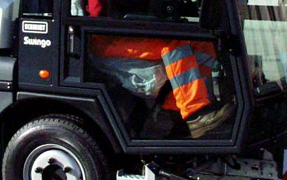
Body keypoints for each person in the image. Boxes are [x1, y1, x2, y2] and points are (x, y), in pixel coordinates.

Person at [86, 0, 234, 138]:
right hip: (107, 36)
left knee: (203, 45)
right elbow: (97, 12)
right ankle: (194, 114)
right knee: (173, 47)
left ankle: (175, 112)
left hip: (135, 28)